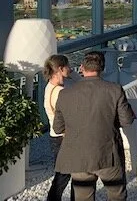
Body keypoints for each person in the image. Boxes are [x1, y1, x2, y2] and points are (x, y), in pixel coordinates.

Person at [52, 52, 135, 201]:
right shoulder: (114, 90)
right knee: (117, 195)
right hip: (108, 154)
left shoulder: (65, 94)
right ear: (102, 68)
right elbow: (127, 120)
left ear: (81, 68)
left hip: (79, 156)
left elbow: (58, 128)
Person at [43, 55, 77, 201]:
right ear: (60, 69)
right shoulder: (59, 92)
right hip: (64, 137)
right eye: (68, 66)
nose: (70, 69)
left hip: (56, 137)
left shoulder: (50, 87)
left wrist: (71, 75)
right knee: (68, 174)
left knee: (64, 174)